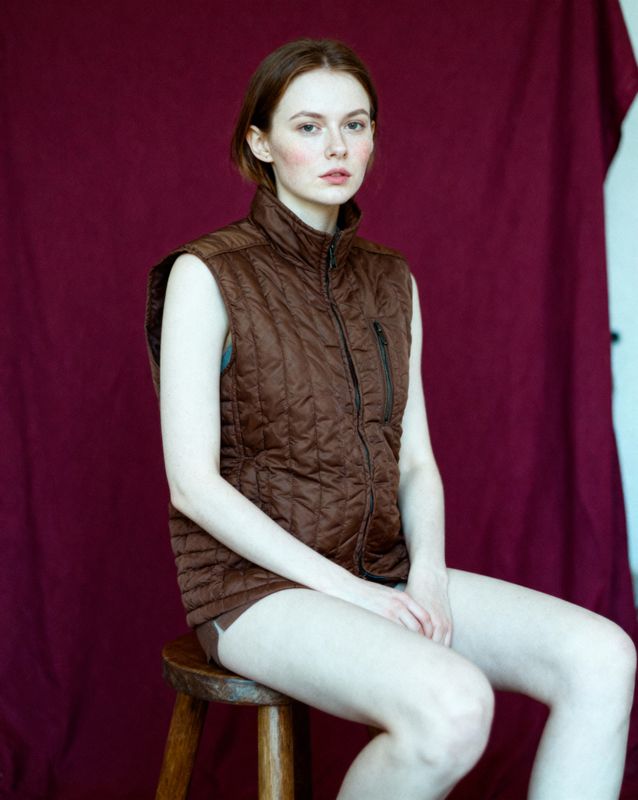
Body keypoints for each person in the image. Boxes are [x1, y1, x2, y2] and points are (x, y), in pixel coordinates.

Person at [145, 38, 636, 800]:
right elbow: (193, 487)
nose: (337, 146)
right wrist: (354, 596)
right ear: (260, 143)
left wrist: (429, 580)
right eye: (307, 126)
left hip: (382, 565)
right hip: (252, 590)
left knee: (602, 655)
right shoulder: (206, 275)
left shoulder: (391, 280)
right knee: (455, 706)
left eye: (356, 124)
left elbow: (415, 462)